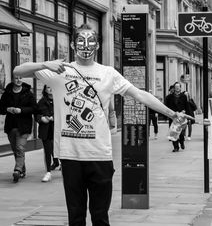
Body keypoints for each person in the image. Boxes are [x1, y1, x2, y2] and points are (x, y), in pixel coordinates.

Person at [13, 24, 192, 226]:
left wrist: (171, 113)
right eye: (81, 41)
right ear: (73, 44)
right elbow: (18, 70)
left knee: (100, 216)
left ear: (97, 46)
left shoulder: (108, 73)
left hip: (100, 155)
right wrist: (46, 64)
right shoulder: (60, 71)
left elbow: (140, 94)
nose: (86, 46)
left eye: (91, 42)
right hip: (70, 156)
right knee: (76, 216)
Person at [0, 75, 37, 183]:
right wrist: (8, 109)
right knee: (16, 150)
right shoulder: (7, 93)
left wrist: (21, 110)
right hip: (11, 126)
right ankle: (22, 169)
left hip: (24, 126)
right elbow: (1, 108)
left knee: (20, 148)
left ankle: (17, 170)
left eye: (20, 78)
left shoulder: (28, 93)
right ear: (12, 79)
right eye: (16, 78)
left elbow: (34, 108)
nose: (19, 80)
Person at [36, 84, 60, 182]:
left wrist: (55, 117)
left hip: (57, 129)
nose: (50, 89)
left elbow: (65, 113)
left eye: (52, 87)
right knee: (47, 151)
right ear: (45, 90)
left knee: (59, 150)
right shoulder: (41, 102)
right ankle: (48, 172)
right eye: (48, 87)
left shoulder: (59, 100)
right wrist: (41, 119)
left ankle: (60, 165)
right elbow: (36, 114)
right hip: (45, 130)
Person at [165, 82, 190, 152]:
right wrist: (168, 115)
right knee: (173, 133)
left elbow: (187, 106)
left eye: (178, 87)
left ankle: (181, 142)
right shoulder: (169, 97)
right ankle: (176, 147)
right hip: (173, 117)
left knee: (181, 133)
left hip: (181, 117)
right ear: (174, 88)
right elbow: (166, 107)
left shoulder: (184, 96)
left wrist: (187, 114)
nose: (177, 88)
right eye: (176, 87)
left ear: (180, 88)